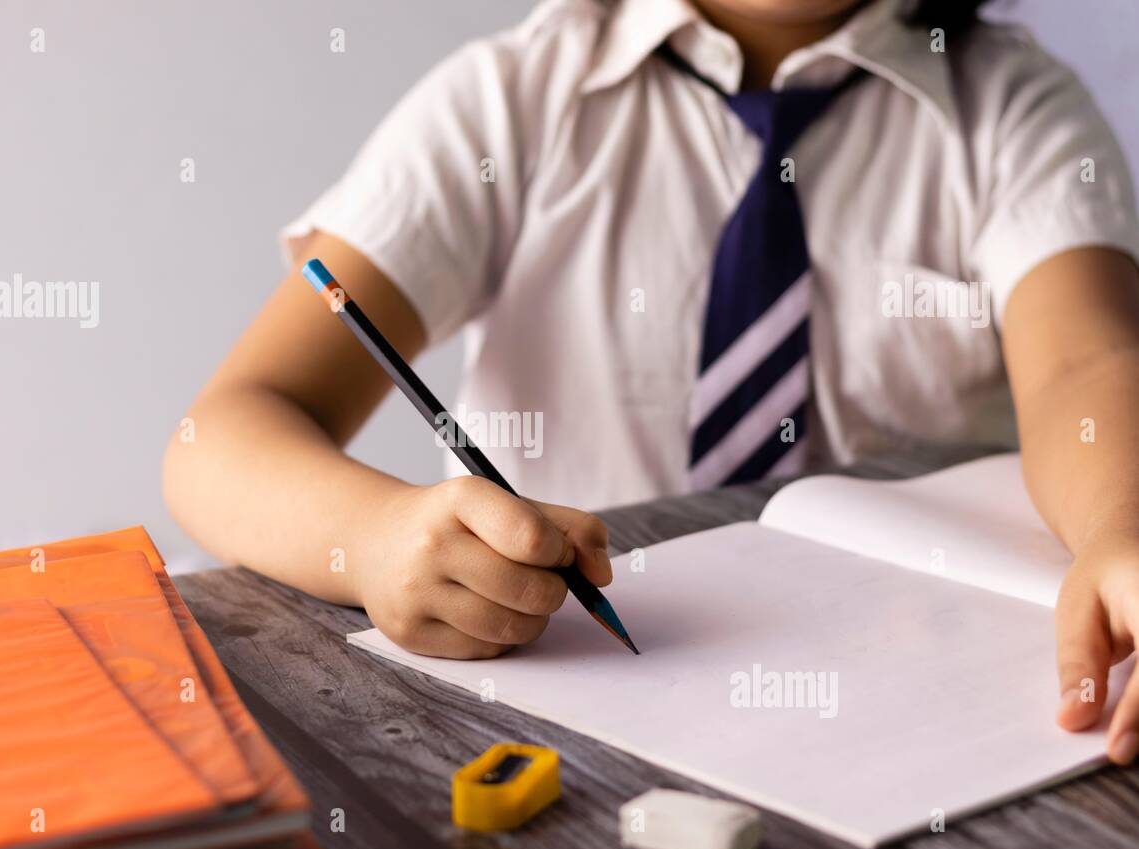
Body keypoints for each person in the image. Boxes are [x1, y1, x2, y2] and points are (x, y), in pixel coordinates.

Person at [162, 0, 1139, 762]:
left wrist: (1121, 526)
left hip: (926, 705)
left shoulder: (1014, 107)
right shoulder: (509, 100)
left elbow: (1083, 365)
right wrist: (369, 537)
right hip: (571, 692)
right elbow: (221, 437)